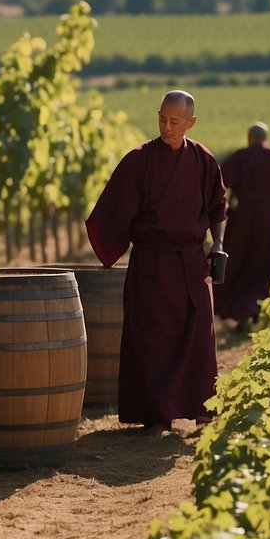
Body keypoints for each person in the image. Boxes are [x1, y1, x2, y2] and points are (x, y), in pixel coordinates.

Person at [86, 90, 227, 432]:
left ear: (190, 123)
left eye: (174, 121)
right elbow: (114, 204)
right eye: (162, 119)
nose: (166, 126)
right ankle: (155, 414)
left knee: (198, 336)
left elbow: (218, 208)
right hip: (151, 263)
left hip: (191, 262)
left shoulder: (203, 160)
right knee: (151, 338)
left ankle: (202, 409)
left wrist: (218, 244)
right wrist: (112, 242)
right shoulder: (140, 160)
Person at [213, 122, 270, 333]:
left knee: (239, 258)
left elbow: (220, 183)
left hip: (243, 213)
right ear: (264, 138)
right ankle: (253, 306)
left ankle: (237, 308)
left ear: (250, 137)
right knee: (262, 260)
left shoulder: (240, 156)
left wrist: (225, 208)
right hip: (267, 216)